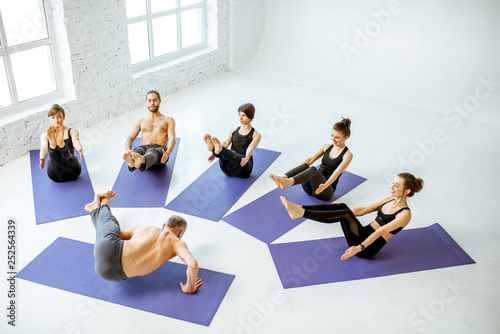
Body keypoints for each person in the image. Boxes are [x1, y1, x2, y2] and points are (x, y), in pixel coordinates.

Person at [280, 172, 424, 260]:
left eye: (397, 186)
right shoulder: (388, 200)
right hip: (362, 233)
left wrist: (359, 247)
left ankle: (302, 212)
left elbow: (380, 231)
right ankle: (301, 208)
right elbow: (362, 210)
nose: (392, 187)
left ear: (407, 191)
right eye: (393, 183)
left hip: (367, 247)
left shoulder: (405, 214)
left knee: (344, 214)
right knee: (343, 208)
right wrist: (336, 212)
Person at [84, 190, 203, 294]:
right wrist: (189, 287)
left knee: (110, 225)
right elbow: (192, 264)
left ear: (164, 225)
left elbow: (118, 234)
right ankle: (95, 208)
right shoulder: (178, 244)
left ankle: (100, 206)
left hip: (105, 249)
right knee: (106, 230)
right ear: (181, 233)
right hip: (111, 274)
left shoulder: (146, 229)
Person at [269, 118, 353, 200]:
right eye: (332, 135)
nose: (333, 139)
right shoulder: (326, 147)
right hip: (310, 188)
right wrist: (297, 173)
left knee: (313, 169)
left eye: (337, 137)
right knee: (305, 165)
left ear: (346, 137)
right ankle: (283, 178)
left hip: (325, 191)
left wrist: (325, 185)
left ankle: (288, 182)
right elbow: (310, 159)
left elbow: (337, 173)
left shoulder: (347, 155)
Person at [203, 103, 261, 178]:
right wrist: (215, 154)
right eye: (239, 114)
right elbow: (226, 143)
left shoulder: (256, 135)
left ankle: (217, 149)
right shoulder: (233, 131)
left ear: (250, 117)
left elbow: (251, 147)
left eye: (243, 115)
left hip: (244, 168)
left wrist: (246, 159)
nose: (240, 118)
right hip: (228, 169)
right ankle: (215, 149)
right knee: (224, 155)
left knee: (233, 155)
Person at [123, 90, 176, 172]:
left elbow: (172, 138)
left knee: (151, 151)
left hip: (160, 153)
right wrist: (128, 150)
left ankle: (140, 160)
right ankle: (132, 162)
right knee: (138, 151)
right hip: (144, 149)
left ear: (159, 101)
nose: (152, 103)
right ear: (146, 102)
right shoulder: (140, 121)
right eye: (149, 100)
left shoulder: (168, 120)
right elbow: (130, 138)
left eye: (155, 100)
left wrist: (167, 153)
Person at [39, 104, 83, 182]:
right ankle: (57, 144)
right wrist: (42, 158)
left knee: (66, 157)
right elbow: (44, 148)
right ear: (50, 118)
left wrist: (79, 149)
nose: (56, 120)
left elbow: (75, 141)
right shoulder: (46, 135)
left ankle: (57, 144)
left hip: (73, 170)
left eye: (59, 117)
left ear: (63, 117)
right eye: (53, 117)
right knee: (56, 159)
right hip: (55, 172)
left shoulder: (72, 132)